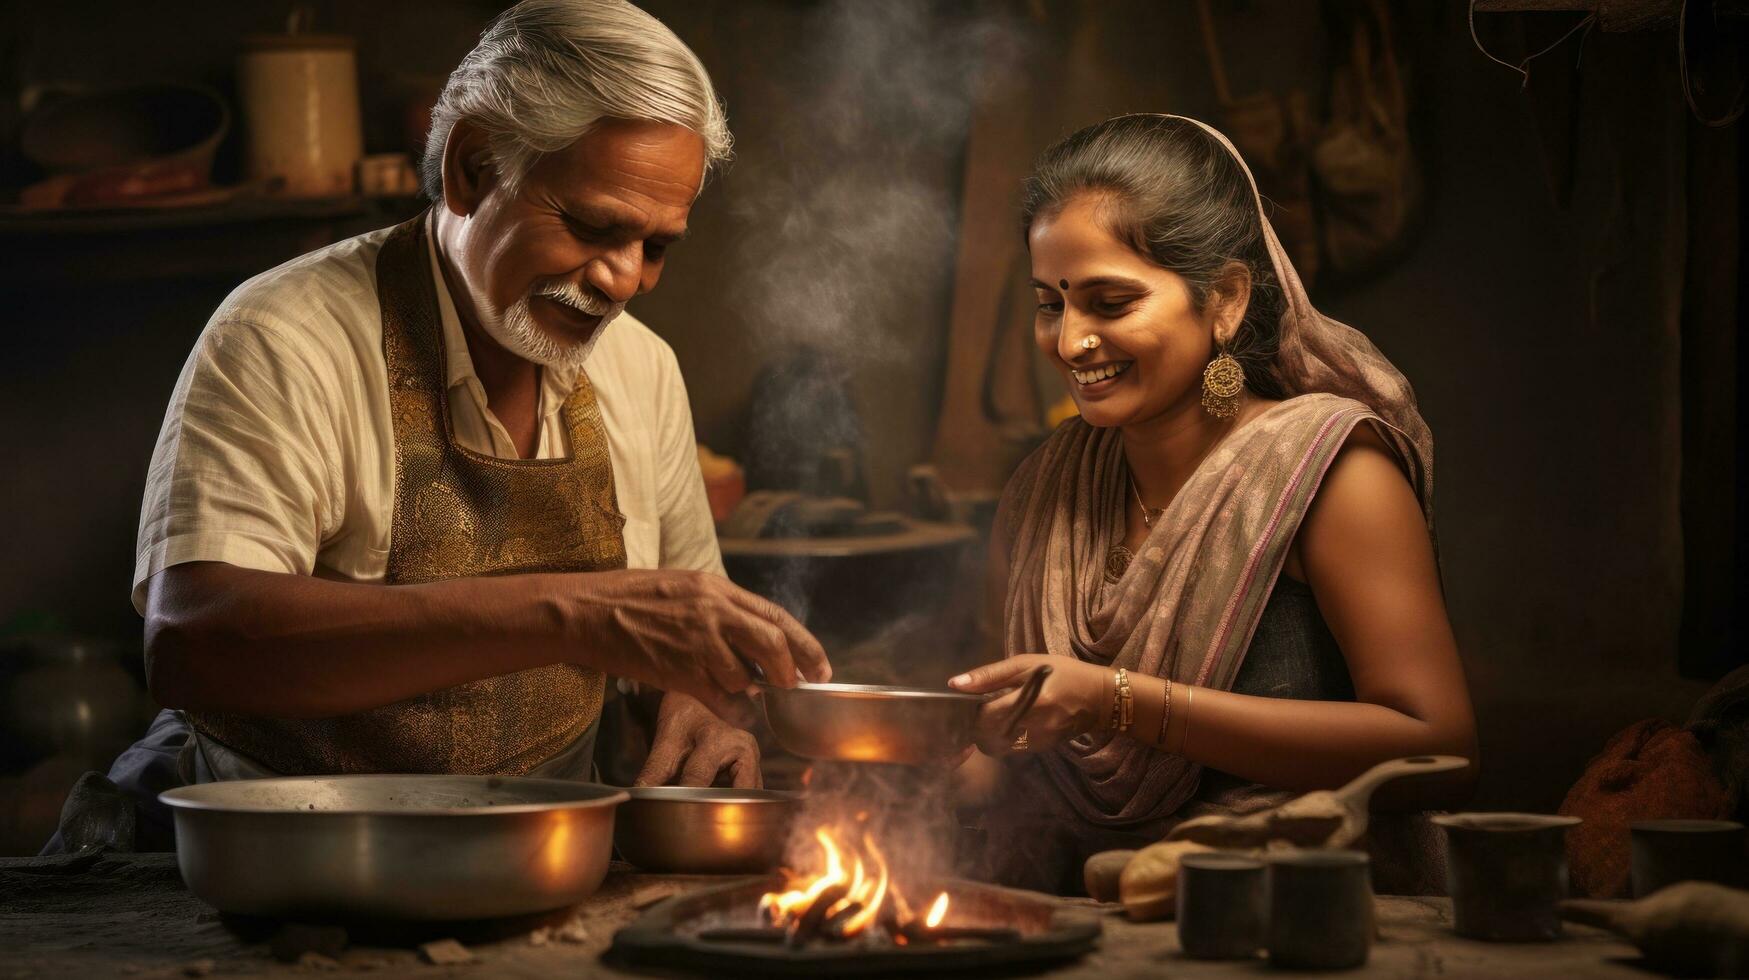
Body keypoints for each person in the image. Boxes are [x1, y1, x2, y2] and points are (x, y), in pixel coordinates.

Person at [48, 0, 829, 853]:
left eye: (657, 245)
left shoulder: (641, 371)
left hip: (539, 860)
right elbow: (194, 642)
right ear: (471, 167)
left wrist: (694, 709)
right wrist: (569, 612)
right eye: (593, 227)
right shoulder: (283, 334)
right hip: (284, 857)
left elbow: (689, 650)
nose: (623, 280)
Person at [949, 114, 1477, 894]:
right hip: (1072, 916)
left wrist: (1119, 701)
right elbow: (1007, 750)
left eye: (1110, 301)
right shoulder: (1042, 490)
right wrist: (913, 770)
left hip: (1291, 915)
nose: (1069, 342)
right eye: (1050, 303)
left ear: (1224, 300)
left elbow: (1440, 752)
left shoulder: (1330, 471)